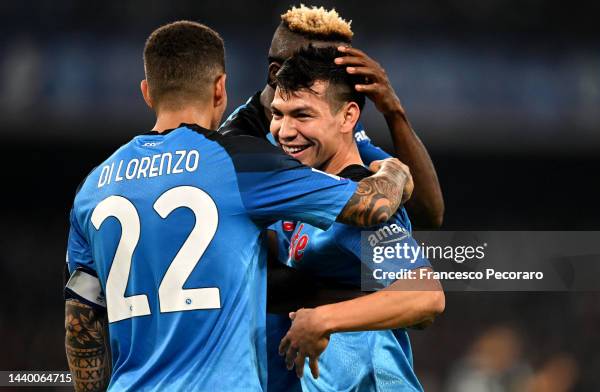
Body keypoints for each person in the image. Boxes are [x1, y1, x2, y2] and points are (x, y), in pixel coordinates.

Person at [63, 21, 412, 392]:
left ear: (147, 93)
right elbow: (372, 207)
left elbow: (81, 321)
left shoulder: (93, 188)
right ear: (220, 89)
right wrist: (394, 170)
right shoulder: (238, 162)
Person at [269, 46, 445, 391]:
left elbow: (425, 296)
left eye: (303, 115)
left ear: (348, 118)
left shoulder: (360, 202)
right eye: (279, 114)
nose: (285, 131)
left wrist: (321, 319)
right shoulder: (312, 195)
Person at [219, 4, 444, 229]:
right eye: (316, 64)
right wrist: (395, 174)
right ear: (276, 73)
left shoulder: (325, 126)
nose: (332, 79)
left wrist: (394, 112)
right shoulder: (239, 142)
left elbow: (428, 215)